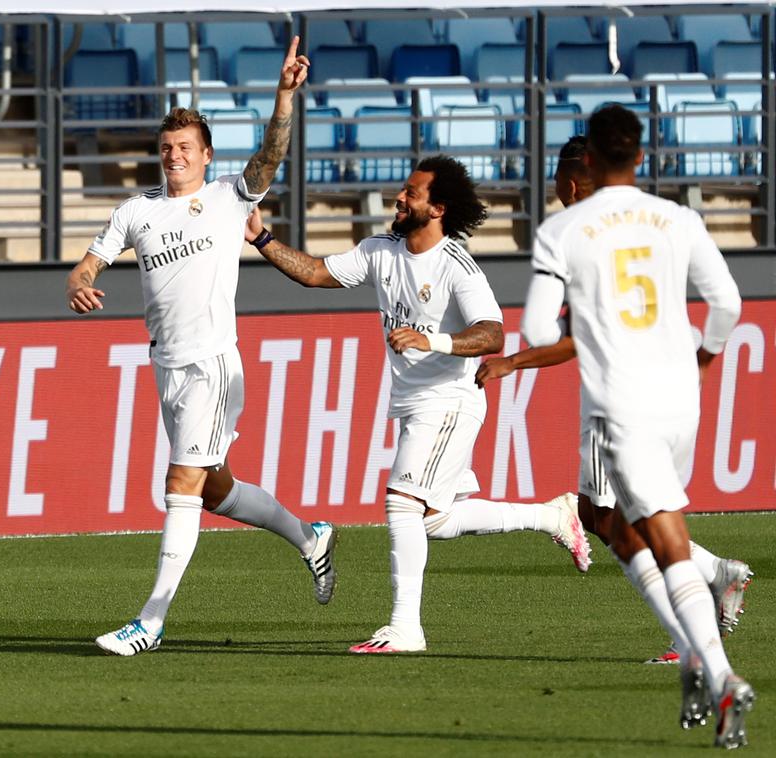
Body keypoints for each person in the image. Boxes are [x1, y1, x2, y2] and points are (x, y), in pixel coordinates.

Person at [242, 155, 590, 655]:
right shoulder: (381, 250)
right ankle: (552, 517)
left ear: (438, 208)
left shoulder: (456, 264)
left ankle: (406, 628)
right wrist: (262, 239)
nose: (399, 199)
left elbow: (492, 334)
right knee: (433, 520)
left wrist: (435, 341)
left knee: (402, 503)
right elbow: (316, 273)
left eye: (411, 193)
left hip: (450, 402)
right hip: (414, 404)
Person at [65, 37, 338, 657]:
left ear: (207, 156)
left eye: (185, 147)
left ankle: (150, 621)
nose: (174, 156)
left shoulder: (225, 199)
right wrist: (80, 285)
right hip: (166, 366)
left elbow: (270, 157)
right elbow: (84, 267)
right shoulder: (135, 211)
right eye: (166, 147)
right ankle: (310, 536)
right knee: (215, 489)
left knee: (182, 482)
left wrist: (284, 98)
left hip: (213, 364)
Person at [520, 104, 752, 748]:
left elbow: (540, 329)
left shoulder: (564, 229)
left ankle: (715, 670)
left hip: (622, 400)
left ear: (587, 158)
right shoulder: (678, 218)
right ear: (642, 158)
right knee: (628, 527)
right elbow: (728, 302)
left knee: (656, 537)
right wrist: (705, 355)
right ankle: (697, 658)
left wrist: (576, 326)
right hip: (683, 397)